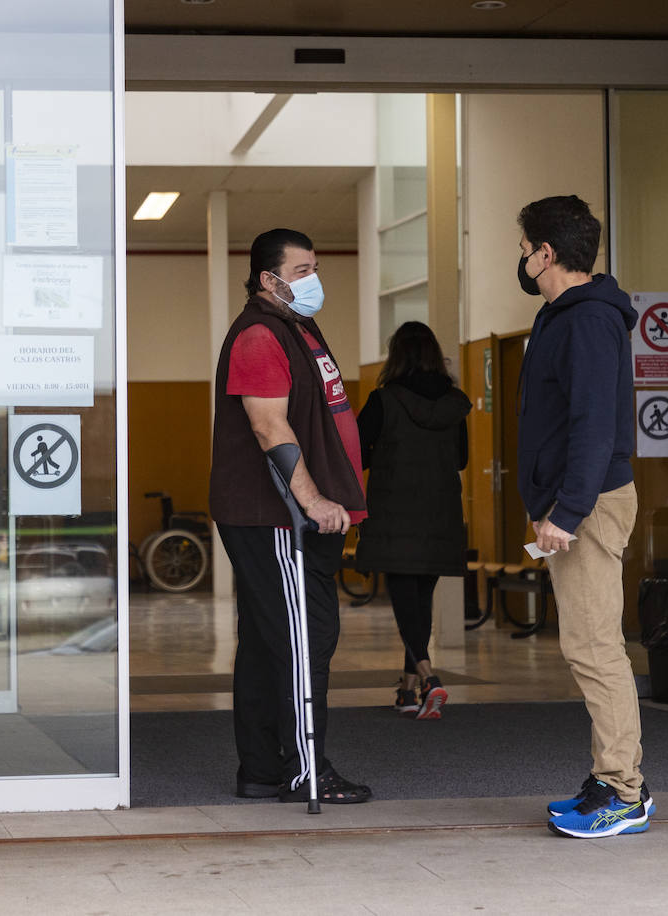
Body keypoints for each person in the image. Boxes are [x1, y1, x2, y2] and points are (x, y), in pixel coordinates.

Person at [210, 228, 372, 804]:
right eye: (302, 270)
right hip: (277, 517)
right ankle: (307, 770)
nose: (313, 279)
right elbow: (268, 426)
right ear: (268, 280)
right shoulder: (259, 335)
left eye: (314, 267)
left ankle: (261, 769)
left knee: (266, 641)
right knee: (305, 638)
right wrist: (313, 501)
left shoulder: (295, 328)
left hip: (280, 516)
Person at [513, 195, 654, 839]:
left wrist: (566, 512)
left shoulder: (589, 320)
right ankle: (612, 779)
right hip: (576, 501)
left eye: (524, 247)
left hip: (588, 504)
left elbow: (594, 426)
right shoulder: (563, 316)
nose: (521, 258)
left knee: (596, 646)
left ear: (547, 252)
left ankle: (624, 789)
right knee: (585, 643)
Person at [355, 321, 470, 721]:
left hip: (395, 515)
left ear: (397, 355)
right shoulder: (456, 403)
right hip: (440, 516)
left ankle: (429, 678)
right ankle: (406, 693)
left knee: (407, 606)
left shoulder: (383, 400)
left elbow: (356, 453)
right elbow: (461, 459)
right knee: (420, 603)